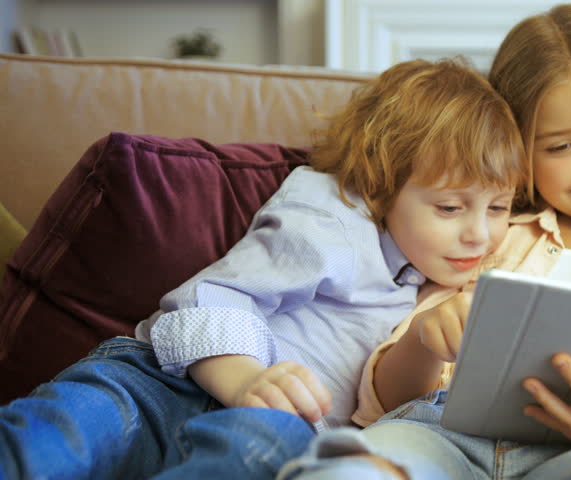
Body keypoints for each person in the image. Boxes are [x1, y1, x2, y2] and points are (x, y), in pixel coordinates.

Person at [274, 4, 571, 480]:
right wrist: (426, 337)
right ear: (515, 148)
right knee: (363, 465)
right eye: (559, 146)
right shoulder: (487, 223)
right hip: (442, 437)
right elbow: (383, 400)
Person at [0, 57, 525, 480]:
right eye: (450, 208)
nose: (479, 233)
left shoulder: (428, 282)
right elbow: (207, 299)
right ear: (381, 183)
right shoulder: (335, 218)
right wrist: (246, 379)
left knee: (272, 446)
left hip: (266, 436)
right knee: (55, 438)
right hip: (170, 386)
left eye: (498, 208)